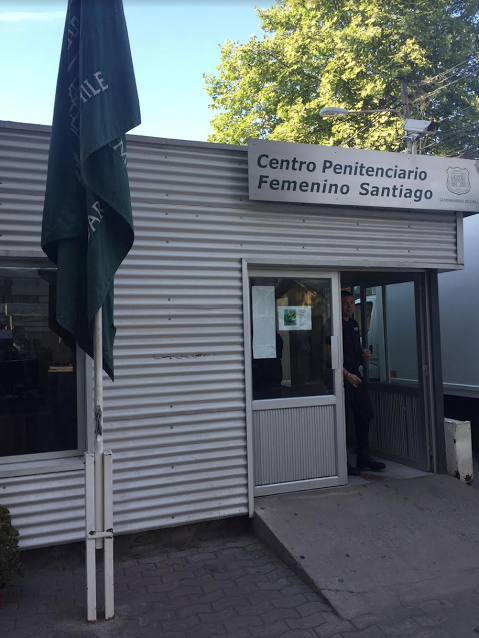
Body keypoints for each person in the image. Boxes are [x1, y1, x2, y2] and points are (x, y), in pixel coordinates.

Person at [341, 290, 386, 476]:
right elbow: (328, 357)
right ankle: (341, 462)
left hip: (356, 378)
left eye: (352, 302)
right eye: (346, 303)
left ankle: (363, 457)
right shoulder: (332, 326)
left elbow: (356, 348)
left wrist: (364, 352)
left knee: (365, 414)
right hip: (341, 378)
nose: (350, 306)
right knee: (339, 420)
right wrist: (346, 375)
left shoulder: (354, 324)